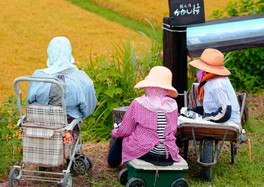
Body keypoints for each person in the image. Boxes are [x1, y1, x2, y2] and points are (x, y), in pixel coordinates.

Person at [107, 66, 181, 168]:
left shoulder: (139, 103)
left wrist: (115, 132)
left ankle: (112, 163)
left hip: (147, 151)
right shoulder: (172, 105)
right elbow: (173, 131)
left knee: (122, 138)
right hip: (168, 152)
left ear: (148, 86)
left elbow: (125, 130)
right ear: (167, 90)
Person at [27, 36, 97, 122]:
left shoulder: (37, 75)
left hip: (37, 126)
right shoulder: (82, 79)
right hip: (68, 126)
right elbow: (88, 108)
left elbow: (30, 101)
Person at [188, 48, 240, 126]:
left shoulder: (217, 85)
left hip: (227, 123)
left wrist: (205, 118)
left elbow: (225, 112)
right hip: (219, 118)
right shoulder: (213, 78)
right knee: (186, 114)